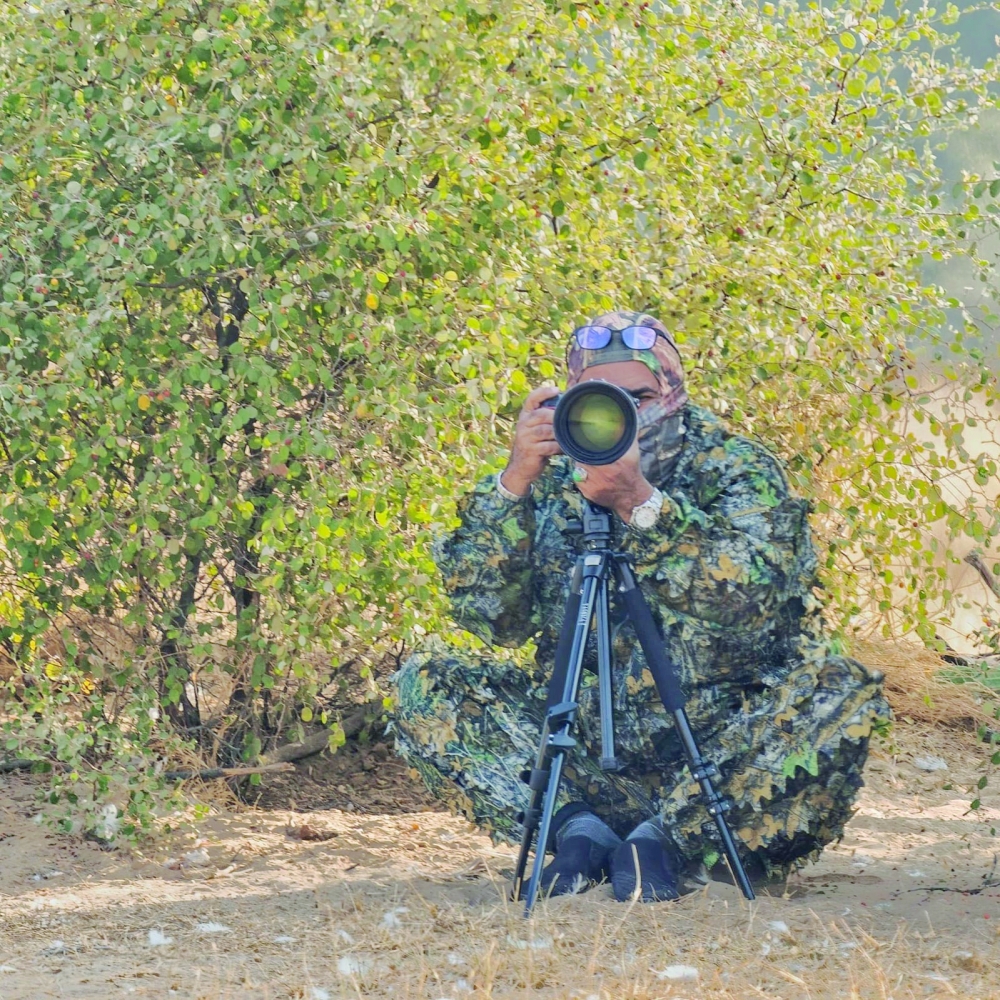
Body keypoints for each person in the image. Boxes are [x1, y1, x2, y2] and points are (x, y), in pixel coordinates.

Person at [391, 310, 890, 902]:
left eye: (641, 396)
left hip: (717, 760)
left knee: (837, 689)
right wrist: (515, 481)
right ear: (569, 401)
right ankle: (578, 830)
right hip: (583, 752)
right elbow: (491, 619)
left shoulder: (733, 467)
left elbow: (753, 599)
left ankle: (670, 843)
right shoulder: (550, 474)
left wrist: (640, 504)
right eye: (600, 399)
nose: (623, 414)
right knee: (425, 684)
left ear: (674, 393)